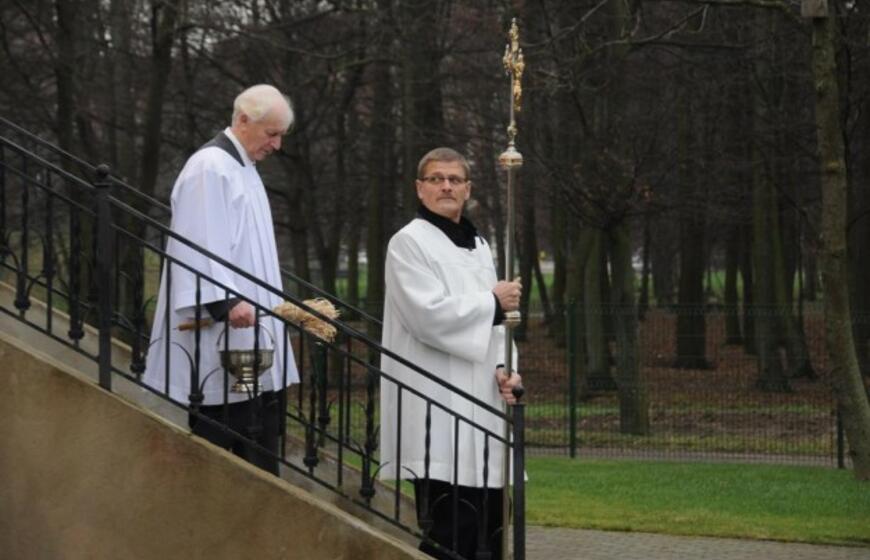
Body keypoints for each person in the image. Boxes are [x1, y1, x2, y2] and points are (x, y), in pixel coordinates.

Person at [143, 84, 299, 475]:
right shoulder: (210, 167)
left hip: (249, 335)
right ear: (243, 120)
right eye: (272, 133)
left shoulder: (243, 169)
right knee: (227, 445)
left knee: (260, 440)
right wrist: (224, 303)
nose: (277, 144)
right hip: (225, 333)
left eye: (281, 134)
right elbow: (199, 240)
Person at [379, 147, 523, 559]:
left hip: (483, 403)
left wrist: (504, 367)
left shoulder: (477, 244)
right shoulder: (409, 242)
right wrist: (493, 303)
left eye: (455, 179)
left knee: (490, 530)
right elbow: (427, 316)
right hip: (437, 407)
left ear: (468, 189)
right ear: (419, 188)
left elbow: (497, 329)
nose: (446, 186)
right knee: (450, 533)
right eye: (436, 178)